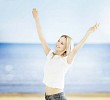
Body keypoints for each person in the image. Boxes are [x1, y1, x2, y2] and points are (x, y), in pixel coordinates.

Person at [32, 8, 99, 100]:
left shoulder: (66, 60)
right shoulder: (50, 55)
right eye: (59, 41)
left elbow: (75, 50)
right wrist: (37, 19)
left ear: (66, 48)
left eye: (62, 43)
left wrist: (88, 32)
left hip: (58, 97)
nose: (58, 43)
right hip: (47, 97)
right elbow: (42, 39)